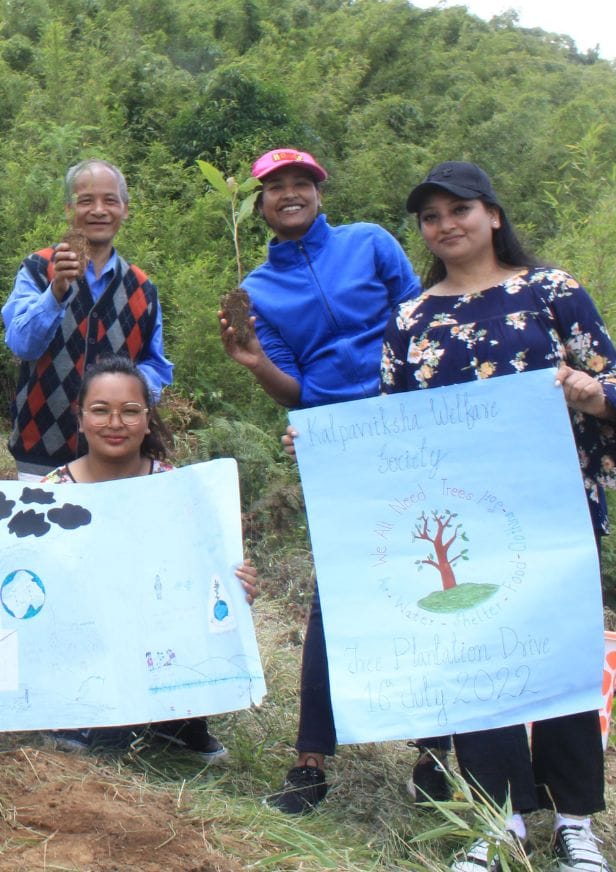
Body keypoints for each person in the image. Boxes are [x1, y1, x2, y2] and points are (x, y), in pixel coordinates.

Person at [380, 161, 616, 872]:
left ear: (491, 213)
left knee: (562, 658)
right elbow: (391, 423)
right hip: (463, 517)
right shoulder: (412, 318)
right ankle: (499, 819)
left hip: (554, 508)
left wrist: (590, 391)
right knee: (476, 663)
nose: (446, 224)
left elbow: (615, 380)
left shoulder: (552, 292)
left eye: (459, 209)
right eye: (431, 216)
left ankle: (574, 820)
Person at [218, 147, 437, 813]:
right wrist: (256, 361)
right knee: (336, 594)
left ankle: (437, 754)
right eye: (274, 187)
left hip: (409, 427)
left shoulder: (369, 244)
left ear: (319, 190)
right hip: (337, 445)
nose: (289, 194)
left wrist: (402, 405)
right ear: (259, 204)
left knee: (428, 577)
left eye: (300, 183)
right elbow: (295, 391)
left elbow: (418, 321)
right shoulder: (256, 289)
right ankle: (310, 762)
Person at [0, 354, 259, 759]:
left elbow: (204, 577)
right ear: (79, 418)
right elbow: (21, 585)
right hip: (83, 643)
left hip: (157, 641)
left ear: (148, 419)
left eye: (130, 412)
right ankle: (82, 713)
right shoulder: (47, 494)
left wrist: (237, 584)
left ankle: (181, 719)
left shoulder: (179, 489)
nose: (115, 423)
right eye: (101, 411)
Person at [3, 159, 173, 481]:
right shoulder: (38, 269)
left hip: (118, 457)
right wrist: (56, 292)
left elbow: (156, 365)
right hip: (41, 451)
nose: (99, 210)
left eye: (110, 200)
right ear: (69, 209)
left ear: (125, 209)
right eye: (86, 201)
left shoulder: (142, 288)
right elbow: (21, 344)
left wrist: (127, 399)